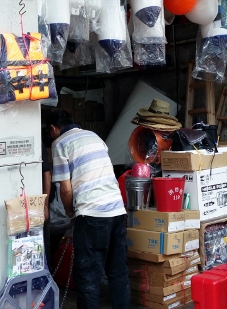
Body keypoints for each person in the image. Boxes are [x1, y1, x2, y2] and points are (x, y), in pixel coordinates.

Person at [46, 109, 130, 309]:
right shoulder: (94, 136)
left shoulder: (60, 143)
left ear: (53, 128)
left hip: (92, 214)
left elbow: (66, 189)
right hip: (117, 211)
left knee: (88, 277)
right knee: (118, 271)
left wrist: (70, 212)